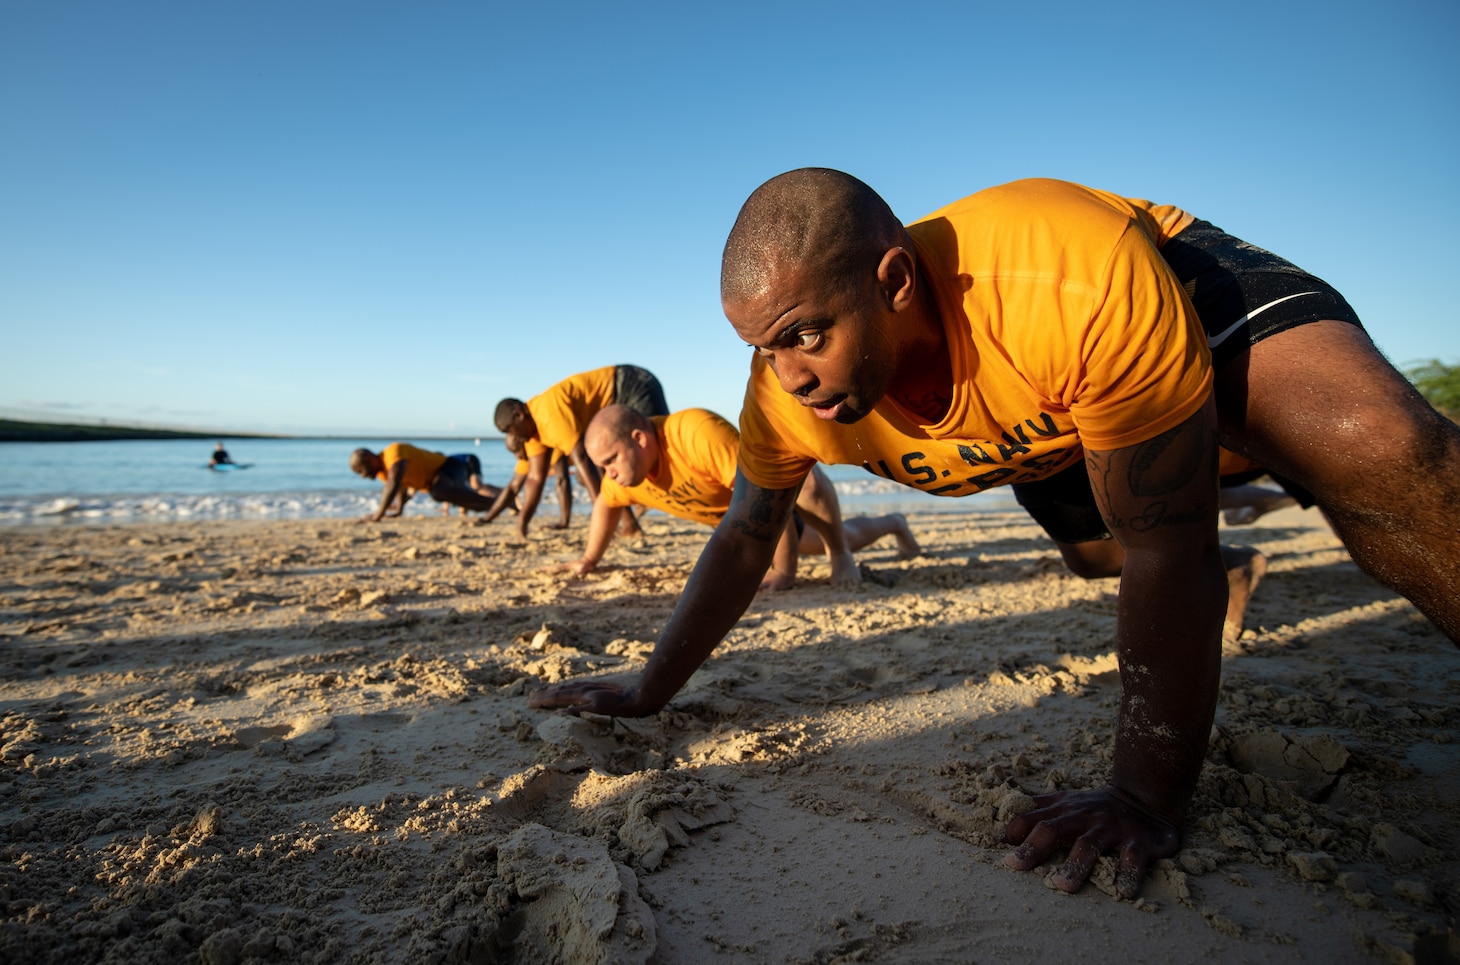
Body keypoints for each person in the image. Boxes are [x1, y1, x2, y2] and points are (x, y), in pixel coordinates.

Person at [528, 169, 1460, 899]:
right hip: (1046, 427)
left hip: (1148, 293)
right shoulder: (785, 396)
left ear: (893, 281)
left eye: (807, 334)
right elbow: (743, 533)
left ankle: (1282, 450)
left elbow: (1169, 550)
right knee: (1099, 555)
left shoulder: (1059, 284)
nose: (791, 375)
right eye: (763, 349)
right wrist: (651, 685)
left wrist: (1143, 796)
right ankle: (1252, 470)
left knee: (1381, 453)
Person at [553, 404, 920, 590]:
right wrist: (588, 559)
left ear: (639, 439)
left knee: (812, 493)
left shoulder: (692, 433)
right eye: (602, 466)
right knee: (845, 538)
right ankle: (893, 523)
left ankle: (840, 553)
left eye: (610, 461)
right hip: (749, 517)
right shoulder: (625, 477)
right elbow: (605, 504)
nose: (608, 474)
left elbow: (766, 495)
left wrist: (783, 572)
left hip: (777, 489)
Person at [481, 365, 669, 539]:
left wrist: (601, 519)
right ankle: (630, 523)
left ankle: (667, 503)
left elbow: (582, 458)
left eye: (509, 430)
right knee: (608, 465)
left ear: (519, 415)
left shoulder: (548, 413)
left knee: (657, 452)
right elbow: (535, 479)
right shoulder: (532, 436)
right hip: (611, 408)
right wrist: (521, 525)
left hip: (630, 384)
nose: (512, 436)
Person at [349, 443, 508, 522]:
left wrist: (378, 514)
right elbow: (402, 487)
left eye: (361, 470)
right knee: (464, 501)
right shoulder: (383, 474)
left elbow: (394, 483)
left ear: (369, 458)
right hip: (438, 479)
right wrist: (399, 509)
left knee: (441, 491)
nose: (363, 476)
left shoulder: (393, 453)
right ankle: (498, 504)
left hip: (449, 465)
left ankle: (498, 503)